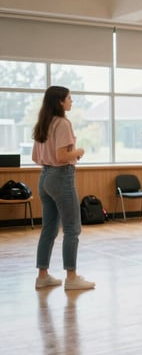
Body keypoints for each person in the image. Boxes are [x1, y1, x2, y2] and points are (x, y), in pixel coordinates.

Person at [32, 86, 95, 291]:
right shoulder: (62, 123)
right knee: (72, 228)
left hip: (44, 178)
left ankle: (42, 276)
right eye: (69, 98)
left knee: (48, 229)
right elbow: (61, 157)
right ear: (60, 101)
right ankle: (72, 277)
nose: (71, 101)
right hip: (61, 176)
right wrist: (78, 151)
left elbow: (35, 158)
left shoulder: (43, 123)